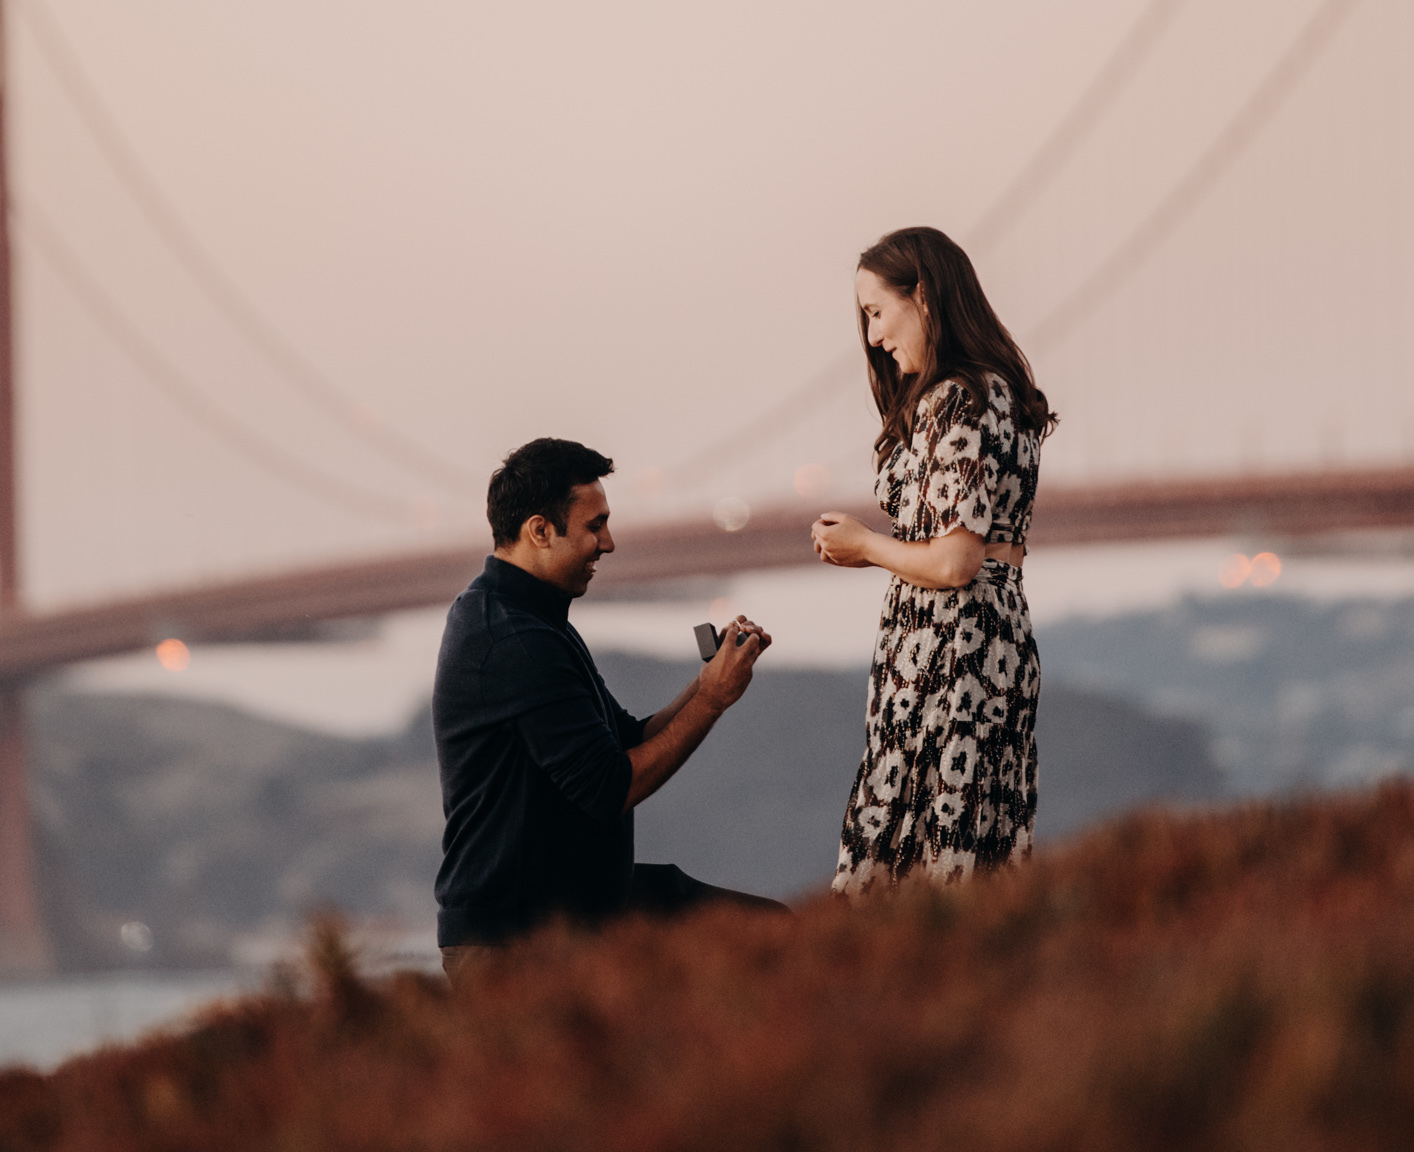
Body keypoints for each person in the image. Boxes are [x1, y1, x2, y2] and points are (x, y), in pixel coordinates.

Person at [432, 437, 782, 977]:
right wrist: (713, 699)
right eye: (594, 526)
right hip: (518, 944)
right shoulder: (513, 640)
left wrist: (709, 683)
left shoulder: (531, 620)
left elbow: (627, 739)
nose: (609, 543)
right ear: (539, 531)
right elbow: (610, 787)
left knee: (776, 934)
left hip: (586, 909)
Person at [811, 226, 1053, 892]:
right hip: (990, 647)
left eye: (876, 311)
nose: (872, 336)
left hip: (950, 654)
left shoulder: (959, 399)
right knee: (976, 860)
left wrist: (865, 545)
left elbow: (954, 563)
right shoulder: (999, 391)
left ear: (922, 295)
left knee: (906, 870)